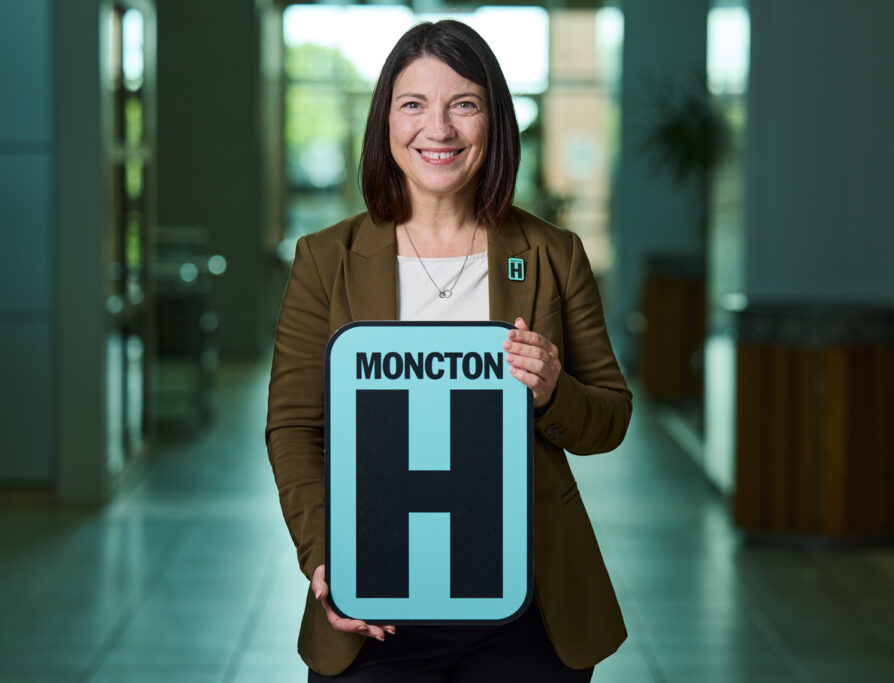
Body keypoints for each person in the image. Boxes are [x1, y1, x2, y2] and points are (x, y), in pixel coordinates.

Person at [266, 19, 633, 682]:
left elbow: (611, 416)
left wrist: (554, 388)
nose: (438, 129)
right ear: (386, 122)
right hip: (379, 597)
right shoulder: (326, 260)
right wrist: (330, 557)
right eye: (414, 105)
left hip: (527, 604)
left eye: (463, 103)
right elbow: (295, 426)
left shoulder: (552, 254)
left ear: (494, 122)